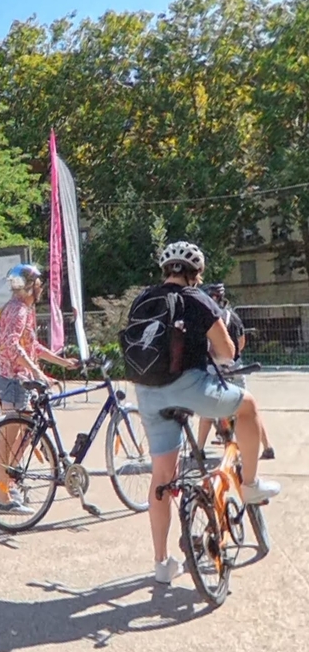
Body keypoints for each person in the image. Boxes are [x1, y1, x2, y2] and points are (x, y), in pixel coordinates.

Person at [131, 242, 280, 584]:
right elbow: (227, 352)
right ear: (196, 274)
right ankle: (251, 483)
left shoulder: (143, 300)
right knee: (248, 406)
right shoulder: (198, 299)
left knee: (162, 480)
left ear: (165, 271)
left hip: (147, 392)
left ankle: (161, 564)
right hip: (188, 385)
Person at [0, 264, 78, 514]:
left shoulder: (19, 308)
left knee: (25, 435)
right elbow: (12, 346)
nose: (41, 288)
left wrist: (61, 362)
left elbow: (32, 346)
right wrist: (38, 373)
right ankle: (3, 496)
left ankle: (9, 485)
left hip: (15, 377)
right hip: (13, 378)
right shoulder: (18, 311)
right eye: (38, 284)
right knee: (10, 438)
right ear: (29, 286)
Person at [199, 283, 274, 460]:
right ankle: (267, 447)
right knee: (247, 409)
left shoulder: (206, 319)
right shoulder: (233, 316)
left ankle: (199, 450)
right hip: (234, 367)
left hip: (213, 368)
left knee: (207, 411)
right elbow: (241, 342)